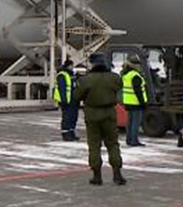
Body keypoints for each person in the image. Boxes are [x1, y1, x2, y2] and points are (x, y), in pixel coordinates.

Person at [74, 53, 126, 186]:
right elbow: (119, 89)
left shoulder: (86, 80)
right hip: (109, 113)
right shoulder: (114, 78)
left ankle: (97, 176)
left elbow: (76, 97)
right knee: (113, 144)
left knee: (94, 145)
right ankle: (117, 174)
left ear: (92, 64)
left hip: (92, 114)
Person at [121, 55, 148, 147]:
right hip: (136, 102)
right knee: (135, 123)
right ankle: (134, 140)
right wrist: (143, 103)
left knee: (129, 122)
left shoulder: (125, 74)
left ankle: (129, 139)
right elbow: (138, 91)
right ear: (135, 65)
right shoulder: (135, 76)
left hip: (128, 101)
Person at [53, 59, 80, 141]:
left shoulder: (72, 75)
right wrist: (63, 100)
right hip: (66, 100)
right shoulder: (62, 75)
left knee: (73, 117)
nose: (73, 67)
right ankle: (66, 134)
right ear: (68, 66)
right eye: (71, 66)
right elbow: (62, 89)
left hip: (73, 100)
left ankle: (71, 133)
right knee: (67, 118)